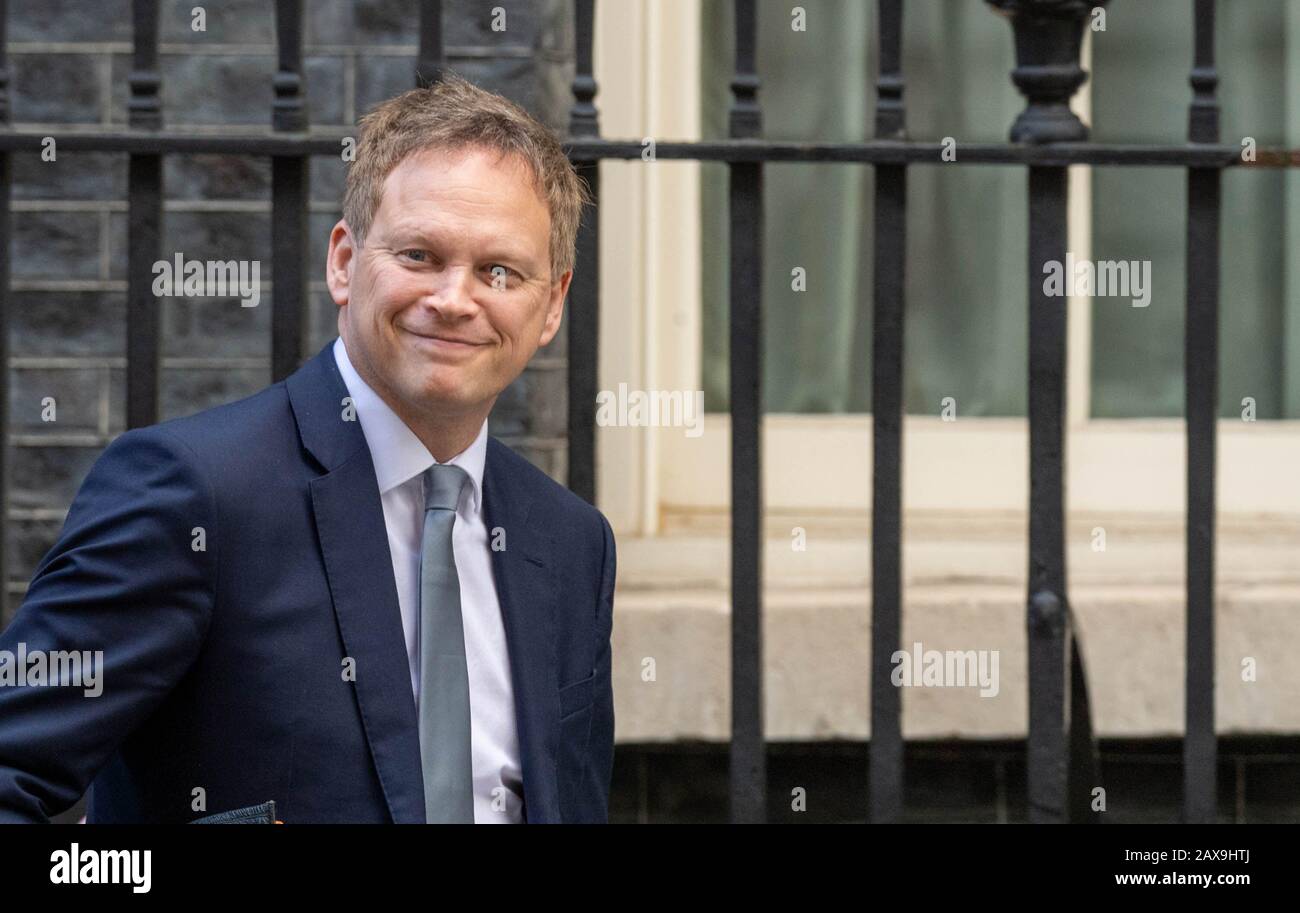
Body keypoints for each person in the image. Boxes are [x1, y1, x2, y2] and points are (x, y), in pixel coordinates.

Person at [0, 73, 614, 824]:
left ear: (550, 304)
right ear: (344, 262)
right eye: (420, 255)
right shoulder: (193, 494)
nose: (456, 299)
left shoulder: (572, 543)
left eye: (500, 271)